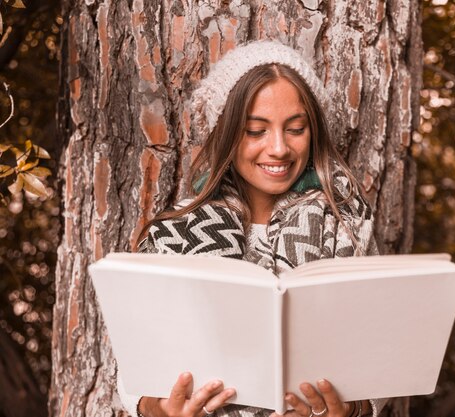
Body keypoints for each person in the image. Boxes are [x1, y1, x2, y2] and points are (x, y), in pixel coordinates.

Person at [116, 40, 386, 417]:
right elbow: (134, 368)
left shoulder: (348, 225)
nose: (278, 148)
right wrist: (161, 409)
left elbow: (378, 355)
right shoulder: (177, 231)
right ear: (225, 133)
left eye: (295, 129)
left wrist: (349, 410)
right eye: (255, 130)